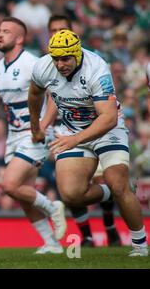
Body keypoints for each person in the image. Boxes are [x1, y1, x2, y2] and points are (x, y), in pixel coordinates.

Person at [28, 29, 148, 257]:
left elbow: (109, 117)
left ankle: (140, 245)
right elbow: (34, 94)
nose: (60, 64)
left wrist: (75, 139)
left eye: (65, 59)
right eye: (56, 59)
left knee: (117, 181)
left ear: (77, 54)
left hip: (106, 130)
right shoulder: (43, 66)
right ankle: (114, 191)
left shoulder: (97, 68)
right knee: (71, 194)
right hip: (72, 130)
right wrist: (36, 127)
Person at [0, 17, 66, 254]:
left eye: (6, 31)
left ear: (20, 38)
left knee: (9, 184)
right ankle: (51, 243)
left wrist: (42, 127)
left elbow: (54, 95)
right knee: (24, 193)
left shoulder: (33, 63)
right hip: (14, 136)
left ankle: (54, 207)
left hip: (33, 134)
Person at [44, 15, 122, 247]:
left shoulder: (92, 62)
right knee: (69, 185)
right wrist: (44, 125)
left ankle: (110, 227)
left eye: (61, 29)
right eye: (53, 30)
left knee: (100, 178)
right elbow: (52, 97)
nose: (56, 32)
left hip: (98, 126)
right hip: (66, 126)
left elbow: (106, 101)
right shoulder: (51, 63)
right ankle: (86, 235)